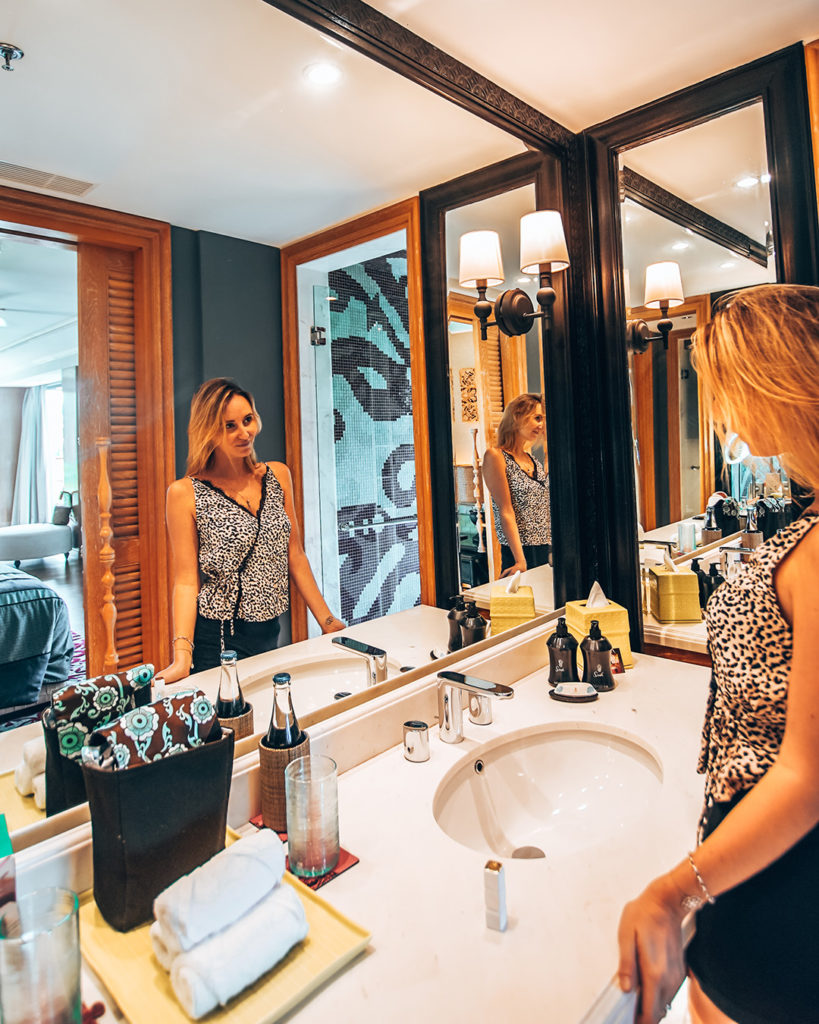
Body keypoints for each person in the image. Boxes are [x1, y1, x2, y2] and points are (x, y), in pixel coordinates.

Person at [616, 285, 819, 1024]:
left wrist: (670, 893)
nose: (718, 410)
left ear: (777, 381)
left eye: (723, 386)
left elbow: (804, 774)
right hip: (757, 854)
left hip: (783, 876)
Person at [158, 378, 344, 681]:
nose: (245, 432)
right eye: (229, 426)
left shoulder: (278, 475)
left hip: (271, 632)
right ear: (208, 431)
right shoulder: (185, 493)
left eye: (248, 420)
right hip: (219, 638)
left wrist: (327, 620)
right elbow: (186, 581)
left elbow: (294, 555)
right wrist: (182, 657)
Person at [481, 392, 551, 578]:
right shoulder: (495, 456)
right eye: (537, 418)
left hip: (544, 549)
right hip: (519, 552)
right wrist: (520, 560)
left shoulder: (533, 460)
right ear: (517, 417)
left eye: (543, 419)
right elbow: (506, 511)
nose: (541, 425)